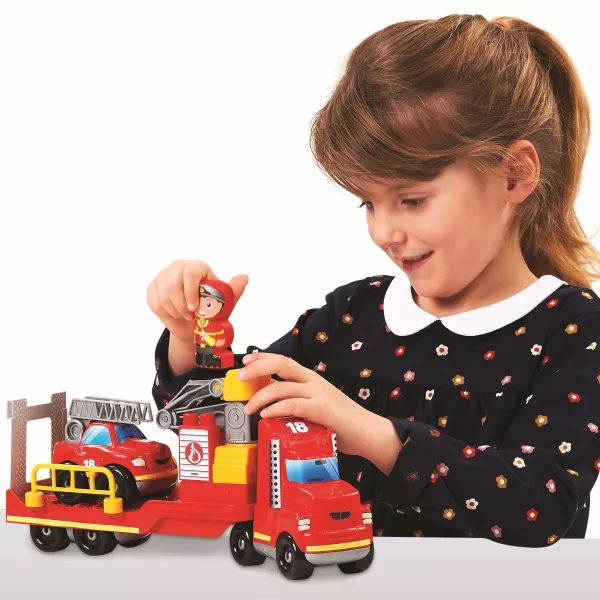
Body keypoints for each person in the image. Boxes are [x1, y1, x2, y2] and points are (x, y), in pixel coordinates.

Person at [147, 14, 600, 547]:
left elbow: (542, 506)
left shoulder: (574, 330)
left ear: (514, 174)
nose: (384, 232)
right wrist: (188, 340)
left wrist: (375, 437)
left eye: (412, 199)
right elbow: (223, 421)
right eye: (368, 202)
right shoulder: (352, 316)